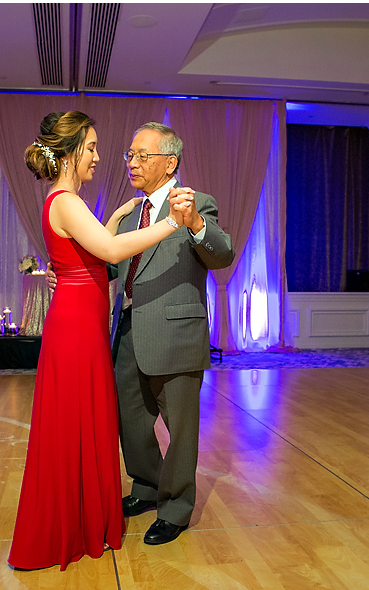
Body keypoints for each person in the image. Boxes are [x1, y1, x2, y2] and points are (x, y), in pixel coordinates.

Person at [8, 111, 190, 571]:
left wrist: (113, 217)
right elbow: (108, 253)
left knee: (81, 422)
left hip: (79, 323)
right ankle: (75, 524)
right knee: (78, 422)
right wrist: (172, 222)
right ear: (69, 153)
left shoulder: (66, 201)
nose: (98, 156)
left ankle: (80, 518)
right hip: (75, 330)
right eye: (90, 147)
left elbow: (86, 254)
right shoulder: (66, 200)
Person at [111, 122, 235, 545]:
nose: (133, 162)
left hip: (175, 333)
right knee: (131, 421)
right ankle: (146, 487)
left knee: (180, 427)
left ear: (170, 162)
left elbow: (221, 253)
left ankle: (177, 508)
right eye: (130, 154)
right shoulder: (132, 211)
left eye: (142, 155)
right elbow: (115, 264)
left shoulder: (196, 203)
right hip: (127, 331)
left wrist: (196, 222)